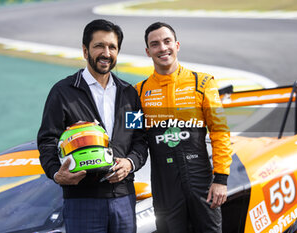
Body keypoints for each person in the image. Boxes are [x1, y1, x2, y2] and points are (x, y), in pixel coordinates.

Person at [37, 19, 148, 233]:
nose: (106, 53)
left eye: (112, 47)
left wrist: (130, 163)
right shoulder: (63, 92)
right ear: (85, 50)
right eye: (99, 46)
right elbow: (48, 140)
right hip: (82, 200)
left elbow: (140, 139)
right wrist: (55, 173)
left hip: (124, 198)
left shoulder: (129, 94)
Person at [134, 22, 233, 233]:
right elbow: (130, 136)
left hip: (201, 180)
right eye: (155, 44)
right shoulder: (138, 92)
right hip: (165, 187)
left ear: (177, 45)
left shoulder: (203, 83)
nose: (162, 48)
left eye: (167, 41)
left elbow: (220, 133)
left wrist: (221, 179)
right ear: (147, 51)